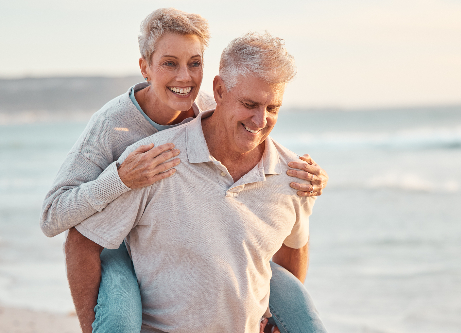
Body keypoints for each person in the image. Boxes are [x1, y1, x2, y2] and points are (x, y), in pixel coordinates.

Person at [40, 8, 328, 333]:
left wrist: (295, 172)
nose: (184, 77)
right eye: (169, 63)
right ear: (145, 67)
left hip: (198, 241)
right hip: (120, 237)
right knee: (119, 317)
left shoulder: (207, 103)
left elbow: (250, 121)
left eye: (194, 63)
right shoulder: (113, 126)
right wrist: (118, 179)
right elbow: (53, 218)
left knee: (304, 317)